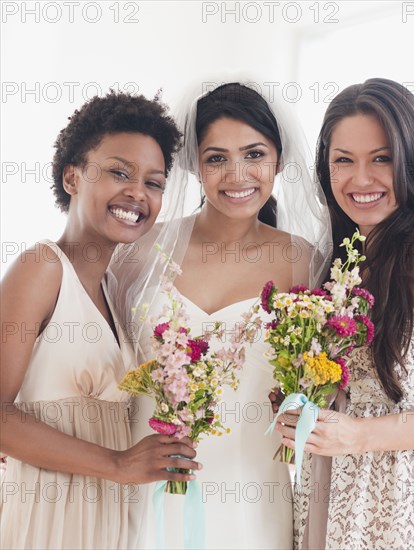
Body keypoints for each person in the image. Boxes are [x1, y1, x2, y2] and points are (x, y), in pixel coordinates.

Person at [109, 81, 332, 549]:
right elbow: (93, 353)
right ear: (194, 164)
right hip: (143, 491)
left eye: (254, 155)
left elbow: (335, 379)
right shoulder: (138, 252)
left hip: (253, 497)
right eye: (216, 158)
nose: (237, 174)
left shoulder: (304, 263)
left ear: (278, 160)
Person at [0, 91, 202, 550]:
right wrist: (117, 463)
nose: (137, 193)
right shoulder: (41, 268)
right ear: (72, 176)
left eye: (154, 182)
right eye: (118, 172)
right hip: (46, 517)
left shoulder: (117, 291)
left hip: (112, 521)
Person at [275, 78, 414, 549]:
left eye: (381, 159)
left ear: (413, 161)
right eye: (343, 161)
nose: (360, 180)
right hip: (328, 489)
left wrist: (361, 435)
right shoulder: (343, 260)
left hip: (400, 503)